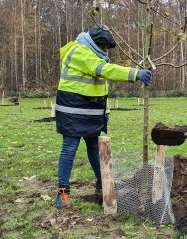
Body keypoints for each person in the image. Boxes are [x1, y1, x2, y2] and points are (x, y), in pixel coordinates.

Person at [55, 24, 152, 209]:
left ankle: (102, 185)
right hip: (72, 110)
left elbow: (100, 87)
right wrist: (134, 74)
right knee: (70, 148)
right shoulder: (80, 52)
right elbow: (104, 70)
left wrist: (104, 113)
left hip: (90, 111)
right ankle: (62, 193)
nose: (106, 50)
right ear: (96, 43)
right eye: (105, 47)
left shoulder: (94, 53)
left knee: (94, 147)